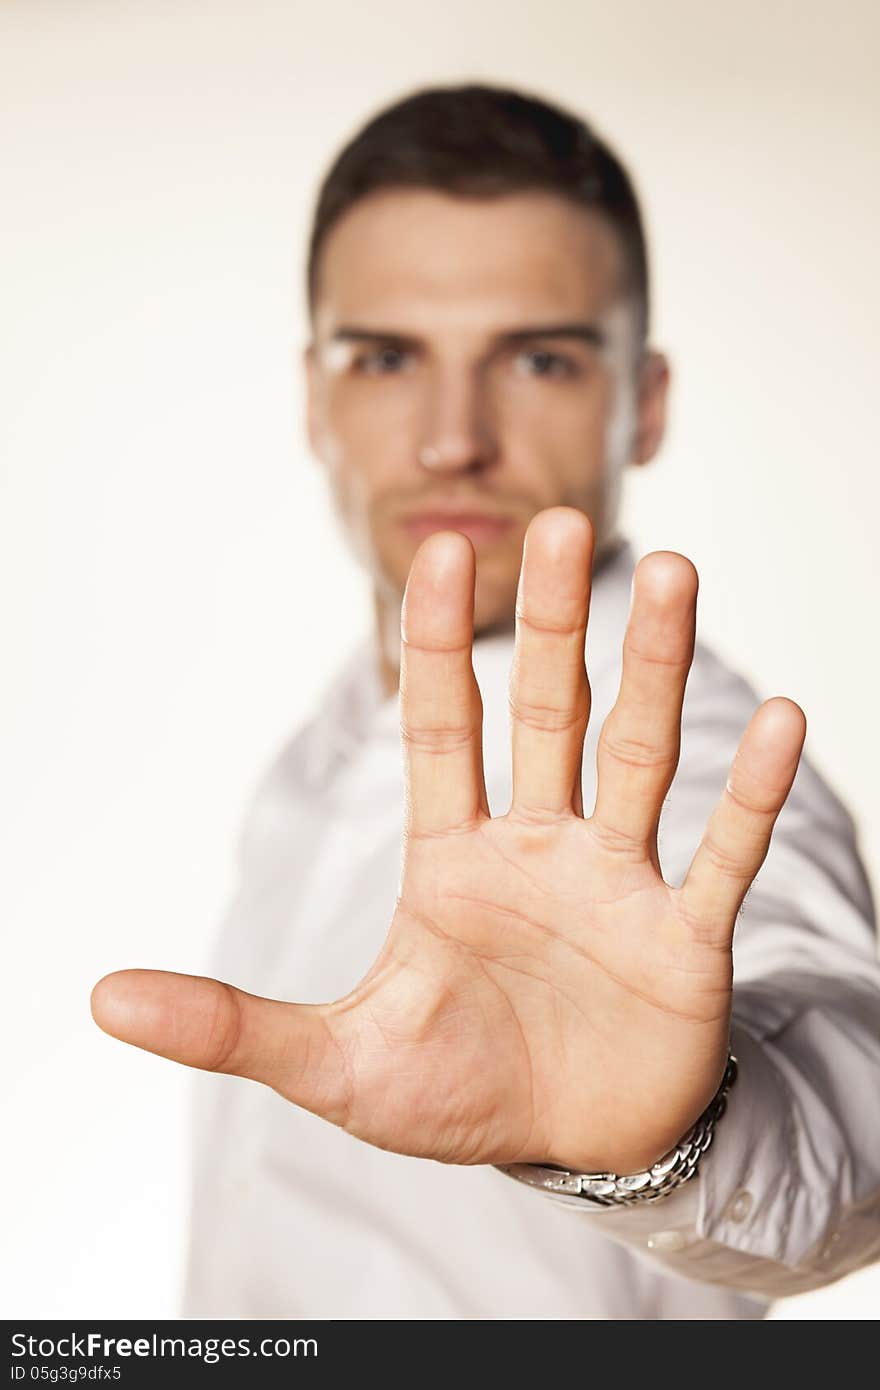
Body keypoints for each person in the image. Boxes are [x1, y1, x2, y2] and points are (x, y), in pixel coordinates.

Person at [91, 84, 880, 1320]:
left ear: (646, 404)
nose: (451, 439)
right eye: (386, 357)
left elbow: (848, 1118)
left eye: (540, 357)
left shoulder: (701, 766)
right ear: (314, 395)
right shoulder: (321, 751)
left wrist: (676, 1129)